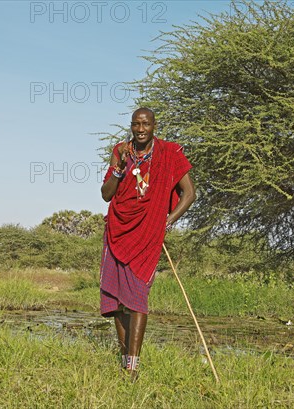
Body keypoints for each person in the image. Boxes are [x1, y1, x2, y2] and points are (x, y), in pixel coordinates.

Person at [100, 107, 196, 381]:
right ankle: (124, 363)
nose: (140, 129)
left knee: (137, 298)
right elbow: (106, 195)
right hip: (117, 229)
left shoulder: (169, 153)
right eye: (135, 125)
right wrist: (117, 173)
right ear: (131, 126)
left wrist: (165, 221)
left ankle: (133, 369)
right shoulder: (120, 151)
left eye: (146, 125)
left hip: (148, 234)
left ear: (154, 125)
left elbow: (189, 194)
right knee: (118, 301)